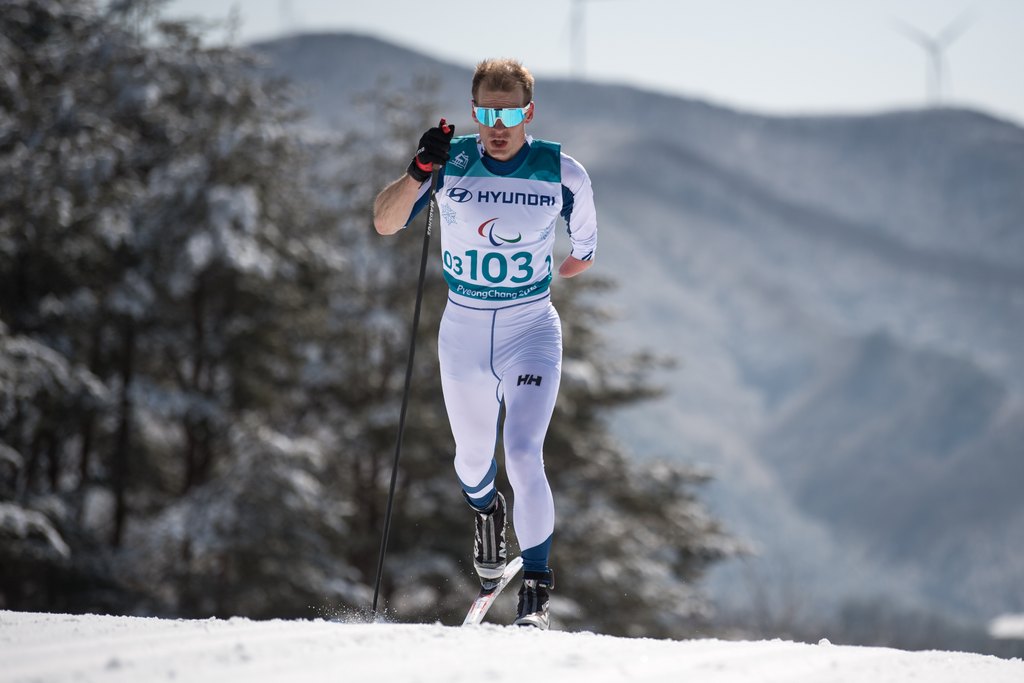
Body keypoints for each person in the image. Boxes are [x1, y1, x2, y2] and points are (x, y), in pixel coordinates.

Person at [372, 57, 597, 629]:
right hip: (464, 334)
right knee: (473, 461)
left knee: (522, 452)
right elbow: (385, 222)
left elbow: (582, 254)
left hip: (530, 332)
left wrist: (547, 275)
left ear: (529, 113)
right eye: (488, 113)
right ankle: (486, 510)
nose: (499, 126)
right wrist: (418, 170)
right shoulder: (450, 163)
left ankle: (536, 595)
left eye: (511, 114)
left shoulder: (563, 172)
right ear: (474, 112)